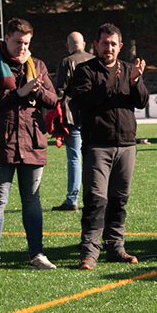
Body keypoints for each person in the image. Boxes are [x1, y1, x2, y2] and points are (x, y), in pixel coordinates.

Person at [0, 19, 59, 275]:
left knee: (32, 201)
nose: (22, 48)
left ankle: (36, 254)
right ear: (6, 39)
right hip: (3, 143)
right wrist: (17, 93)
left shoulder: (39, 65)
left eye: (26, 43)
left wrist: (40, 89)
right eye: (17, 42)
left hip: (33, 143)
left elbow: (53, 99)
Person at [68, 23, 148, 269]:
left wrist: (135, 82)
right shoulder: (85, 70)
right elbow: (80, 102)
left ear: (120, 46)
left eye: (113, 44)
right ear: (96, 45)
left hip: (126, 145)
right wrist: (107, 85)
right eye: (104, 43)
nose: (109, 48)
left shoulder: (128, 69)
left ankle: (116, 248)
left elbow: (142, 102)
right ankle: (89, 253)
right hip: (97, 146)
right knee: (95, 199)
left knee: (119, 200)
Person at [52, 31, 94, 212]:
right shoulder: (95, 60)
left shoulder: (66, 62)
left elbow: (59, 91)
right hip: (93, 115)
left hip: (73, 116)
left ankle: (72, 199)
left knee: (75, 159)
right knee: (94, 158)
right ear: (84, 44)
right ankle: (95, 197)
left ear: (68, 46)